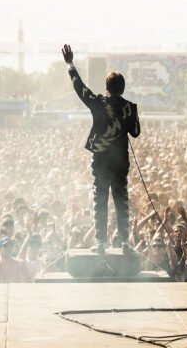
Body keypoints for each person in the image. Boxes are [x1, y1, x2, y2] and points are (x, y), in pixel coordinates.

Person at [62, 44, 141, 255]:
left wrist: (70, 64)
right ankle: (125, 242)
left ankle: (100, 242)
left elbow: (80, 88)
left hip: (101, 161)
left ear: (107, 88)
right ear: (122, 88)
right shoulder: (130, 107)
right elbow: (135, 132)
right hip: (120, 163)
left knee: (100, 200)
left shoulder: (98, 103)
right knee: (121, 200)